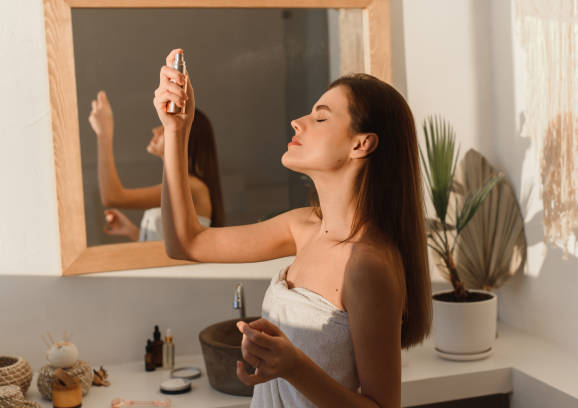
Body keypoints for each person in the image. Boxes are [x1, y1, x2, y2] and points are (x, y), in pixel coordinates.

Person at [154, 48, 432, 407]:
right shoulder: (303, 227)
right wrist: (177, 130)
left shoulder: (367, 265)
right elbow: (185, 243)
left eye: (320, 118)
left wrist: (293, 366)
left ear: (361, 144)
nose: (297, 122)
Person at [88, 90, 225, 241]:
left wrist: (104, 134)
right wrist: (134, 232)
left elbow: (112, 197)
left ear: (186, 137)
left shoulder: (193, 187)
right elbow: (174, 248)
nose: (155, 130)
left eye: (164, 125)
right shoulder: (187, 186)